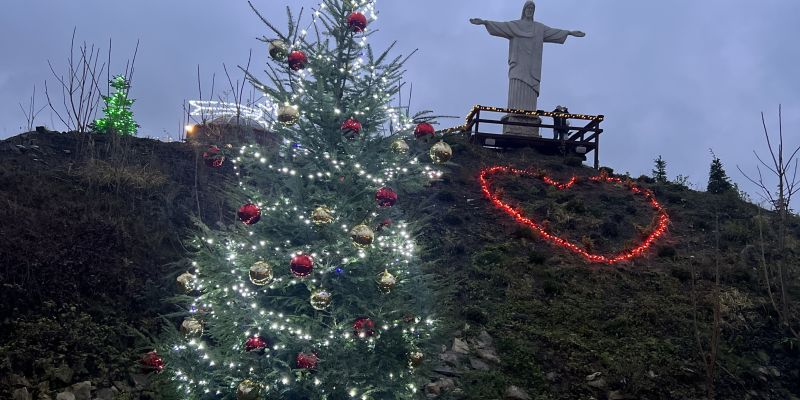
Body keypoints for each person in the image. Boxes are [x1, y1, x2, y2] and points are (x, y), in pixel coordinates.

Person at [470, 2, 585, 113]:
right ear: (524, 10)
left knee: (530, 93)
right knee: (516, 88)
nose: (530, 11)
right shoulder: (515, 25)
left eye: (532, 9)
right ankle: (513, 117)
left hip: (532, 67)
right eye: (528, 8)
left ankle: (529, 117)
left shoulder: (539, 28)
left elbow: (553, 32)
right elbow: (501, 26)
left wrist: (569, 33)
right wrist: (485, 22)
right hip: (518, 65)